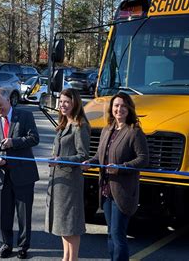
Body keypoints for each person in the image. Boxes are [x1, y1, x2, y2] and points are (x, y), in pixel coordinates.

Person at [82, 92, 149, 261]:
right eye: (116, 105)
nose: (119, 109)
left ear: (129, 109)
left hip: (123, 191)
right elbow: (99, 156)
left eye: (123, 106)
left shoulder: (134, 131)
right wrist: (89, 162)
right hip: (105, 191)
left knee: (118, 236)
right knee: (111, 234)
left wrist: (121, 168)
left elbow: (143, 159)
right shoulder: (107, 130)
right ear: (111, 108)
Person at [0, 88, 39, 259]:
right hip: (3, 175)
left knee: (23, 214)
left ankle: (23, 246)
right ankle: (6, 244)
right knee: (4, 214)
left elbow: (34, 138)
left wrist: (13, 142)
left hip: (23, 174)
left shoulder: (25, 116)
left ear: (8, 100)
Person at [46, 88, 90, 261]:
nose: (62, 105)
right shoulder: (64, 124)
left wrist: (61, 159)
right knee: (63, 224)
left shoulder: (80, 126)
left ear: (75, 103)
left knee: (71, 224)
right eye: (61, 101)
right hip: (59, 181)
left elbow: (83, 155)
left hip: (71, 183)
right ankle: (66, 257)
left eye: (66, 102)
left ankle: (73, 259)